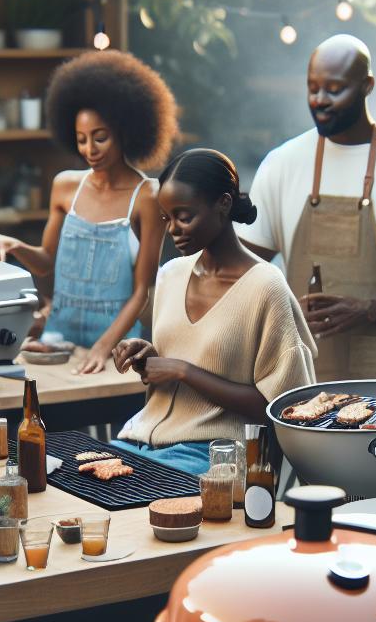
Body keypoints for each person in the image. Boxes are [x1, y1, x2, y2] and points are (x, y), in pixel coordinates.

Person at [238, 35, 376, 381]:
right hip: (297, 368)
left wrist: (372, 310)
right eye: (312, 88)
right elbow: (242, 271)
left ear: (367, 86)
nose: (320, 100)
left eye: (334, 89)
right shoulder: (282, 164)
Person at [110, 149, 317, 472]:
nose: (173, 229)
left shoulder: (265, 287)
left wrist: (184, 371)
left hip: (214, 454)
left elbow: (284, 408)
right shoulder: (172, 274)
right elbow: (178, 358)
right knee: (72, 483)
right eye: (167, 217)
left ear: (223, 204)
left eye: (184, 216)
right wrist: (149, 357)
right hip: (139, 439)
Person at [0, 50, 176, 373]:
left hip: (116, 345)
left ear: (124, 132)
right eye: (81, 139)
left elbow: (142, 292)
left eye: (100, 138)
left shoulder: (146, 196)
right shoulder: (65, 187)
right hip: (58, 339)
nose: (90, 150)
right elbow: (46, 261)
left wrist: (105, 346)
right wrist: (15, 246)